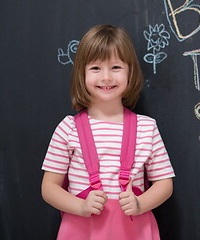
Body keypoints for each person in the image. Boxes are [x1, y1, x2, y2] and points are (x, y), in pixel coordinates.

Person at [41, 24, 175, 240]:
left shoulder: (147, 127)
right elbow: (49, 187)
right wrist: (81, 206)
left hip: (134, 230)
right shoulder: (68, 129)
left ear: (130, 72)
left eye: (115, 67)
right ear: (81, 74)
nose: (106, 77)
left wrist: (141, 204)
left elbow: (164, 183)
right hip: (82, 230)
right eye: (95, 68)